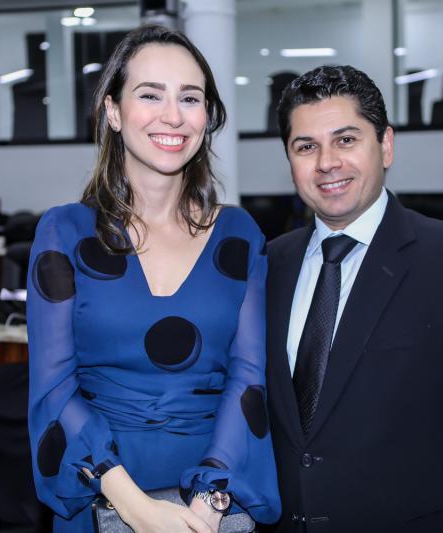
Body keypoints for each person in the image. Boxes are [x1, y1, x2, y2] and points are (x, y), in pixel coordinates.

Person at [27, 25, 280, 533]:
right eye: (150, 95)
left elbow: (249, 380)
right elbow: (53, 389)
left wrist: (206, 504)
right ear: (113, 112)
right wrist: (137, 509)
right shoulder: (64, 232)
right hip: (99, 492)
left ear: (207, 115)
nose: (173, 115)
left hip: (215, 498)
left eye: (190, 97)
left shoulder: (240, 235)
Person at [264, 65, 443, 532]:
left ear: (386, 145)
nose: (327, 162)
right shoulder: (269, 263)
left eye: (346, 140)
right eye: (306, 147)